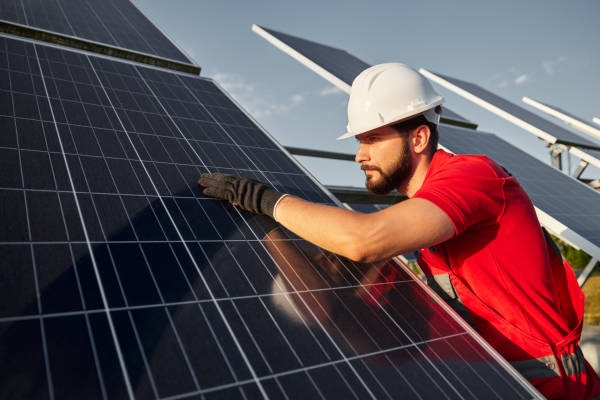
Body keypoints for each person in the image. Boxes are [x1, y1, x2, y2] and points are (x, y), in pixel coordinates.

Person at [199, 63, 600, 399]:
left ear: (420, 137)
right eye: (359, 141)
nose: (359, 155)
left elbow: (364, 240)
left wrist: (264, 200)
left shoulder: (472, 176)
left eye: (373, 139)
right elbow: (389, 347)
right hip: (506, 385)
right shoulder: (424, 217)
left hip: (556, 389)